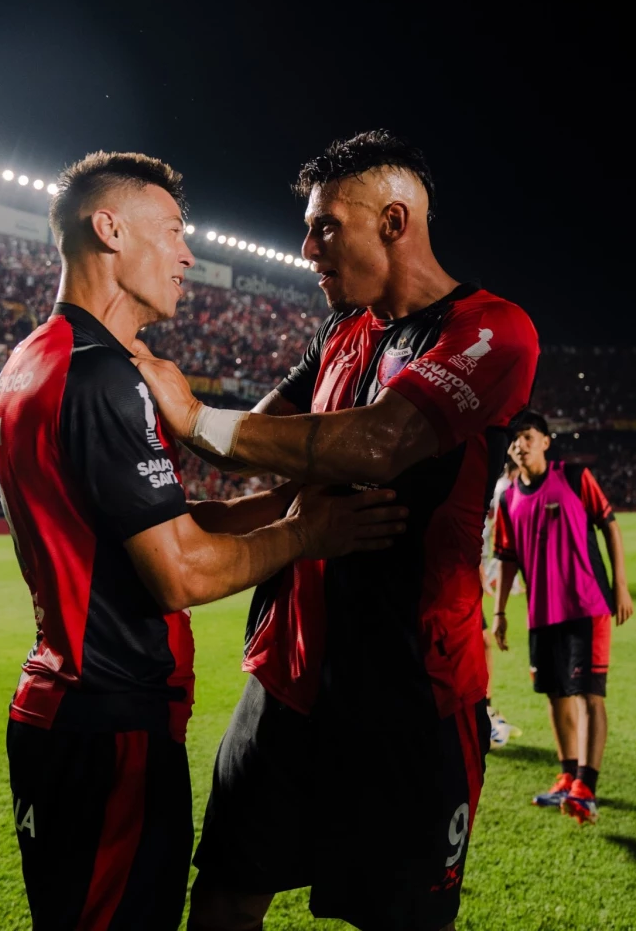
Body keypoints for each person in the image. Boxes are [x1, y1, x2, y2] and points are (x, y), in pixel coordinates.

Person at [131, 130, 540, 931]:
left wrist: (194, 416)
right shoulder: (338, 333)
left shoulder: (493, 330)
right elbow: (256, 439)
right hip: (285, 682)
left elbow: (381, 441)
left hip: (411, 700)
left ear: (393, 221)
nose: (307, 246)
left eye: (326, 227)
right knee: (221, 899)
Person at [0, 149, 406, 931]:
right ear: (109, 229)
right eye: (174, 230)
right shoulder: (100, 375)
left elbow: (161, 525)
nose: (189, 253)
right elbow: (178, 572)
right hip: (110, 723)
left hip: (65, 712)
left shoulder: (35, 359)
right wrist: (306, 532)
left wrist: (278, 501)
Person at [492, 410, 634, 825]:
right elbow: (506, 558)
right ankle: (567, 776)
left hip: (587, 606)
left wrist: (620, 585)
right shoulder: (508, 498)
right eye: (515, 439)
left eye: (528, 436)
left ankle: (586, 788)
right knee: (556, 696)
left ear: (546, 441)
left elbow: (609, 525)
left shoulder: (573, 477)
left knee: (589, 694)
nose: (521, 445)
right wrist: (500, 612)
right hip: (542, 614)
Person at [482, 459, 522, 749]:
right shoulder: (500, 487)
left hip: (473, 566)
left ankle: (484, 712)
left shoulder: (487, 486)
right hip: (456, 572)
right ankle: (483, 715)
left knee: (482, 642)